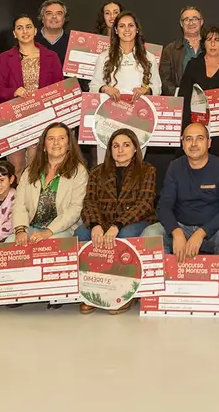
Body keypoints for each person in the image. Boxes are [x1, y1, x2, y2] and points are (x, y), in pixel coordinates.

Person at [77, 129, 156, 314]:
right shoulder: (97, 172)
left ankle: (125, 295)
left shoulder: (147, 170)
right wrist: (95, 224)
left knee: (124, 235)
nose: (120, 150)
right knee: (81, 233)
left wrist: (117, 225)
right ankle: (90, 293)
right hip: (102, 222)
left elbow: (145, 204)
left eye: (126, 145)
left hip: (135, 222)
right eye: (115, 146)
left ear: (136, 148)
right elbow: (89, 202)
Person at [141, 123, 219, 258]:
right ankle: (161, 277)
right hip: (181, 228)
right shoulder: (175, 167)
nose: (194, 144)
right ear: (182, 143)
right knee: (150, 234)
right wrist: (176, 231)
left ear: (209, 143)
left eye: (200, 138)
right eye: (188, 139)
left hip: (212, 231)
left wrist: (202, 232)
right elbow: (164, 206)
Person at [0, 14, 64, 173]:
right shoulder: (5, 58)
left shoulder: (51, 57)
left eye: (28, 27)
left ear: (35, 30)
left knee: (36, 168)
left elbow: (59, 89)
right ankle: (17, 199)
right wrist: (14, 92)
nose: (24, 31)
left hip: (42, 120)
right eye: (19, 28)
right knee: (15, 168)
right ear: (14, 33)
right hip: (14, 120)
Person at [10, 122, 89, 244]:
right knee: (9, 243)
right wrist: (20, 229)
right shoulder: (30, 170)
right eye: (51, 139)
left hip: (62, 229)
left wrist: (47, 232)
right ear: (44, 146)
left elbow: (75, 208)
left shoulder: (79, 171)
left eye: (61, 138)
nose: (56, 143)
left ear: (68, 145)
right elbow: (19, 203)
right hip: (31, 227)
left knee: (47, 245)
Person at [179, 25, 219, 172]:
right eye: (209, 40)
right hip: (195, 131)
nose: (213, 44)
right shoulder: (193, 66)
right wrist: (189, 128)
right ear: (204, 43)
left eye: (217, 40)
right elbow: (184, 97)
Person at [90, 11, 161, 102]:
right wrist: (106, 88)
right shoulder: (104, 57)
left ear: (137, 29)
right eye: (122, 26)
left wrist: (146, 90)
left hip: (140, 111)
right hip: (111, 110)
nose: (127, 29)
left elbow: (157, 89)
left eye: (131, 25)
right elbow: (93, 87)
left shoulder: (149, 57)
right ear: (116, 30)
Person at [159, 6, 204, 96]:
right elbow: (164, 79)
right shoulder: (170, 50)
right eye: (186, 19)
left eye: (195, 19)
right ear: (181, 23)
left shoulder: (212, 46)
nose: (191, 23)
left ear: (201, 22)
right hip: (180, 103)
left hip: (209, 103)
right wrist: (179, 94)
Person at [35, 0, 70, 66]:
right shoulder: (30, 41)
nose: (54, 17)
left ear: (64, 19)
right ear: (42, 18)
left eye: (59, 13)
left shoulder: (72, 43)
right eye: (49, 13)